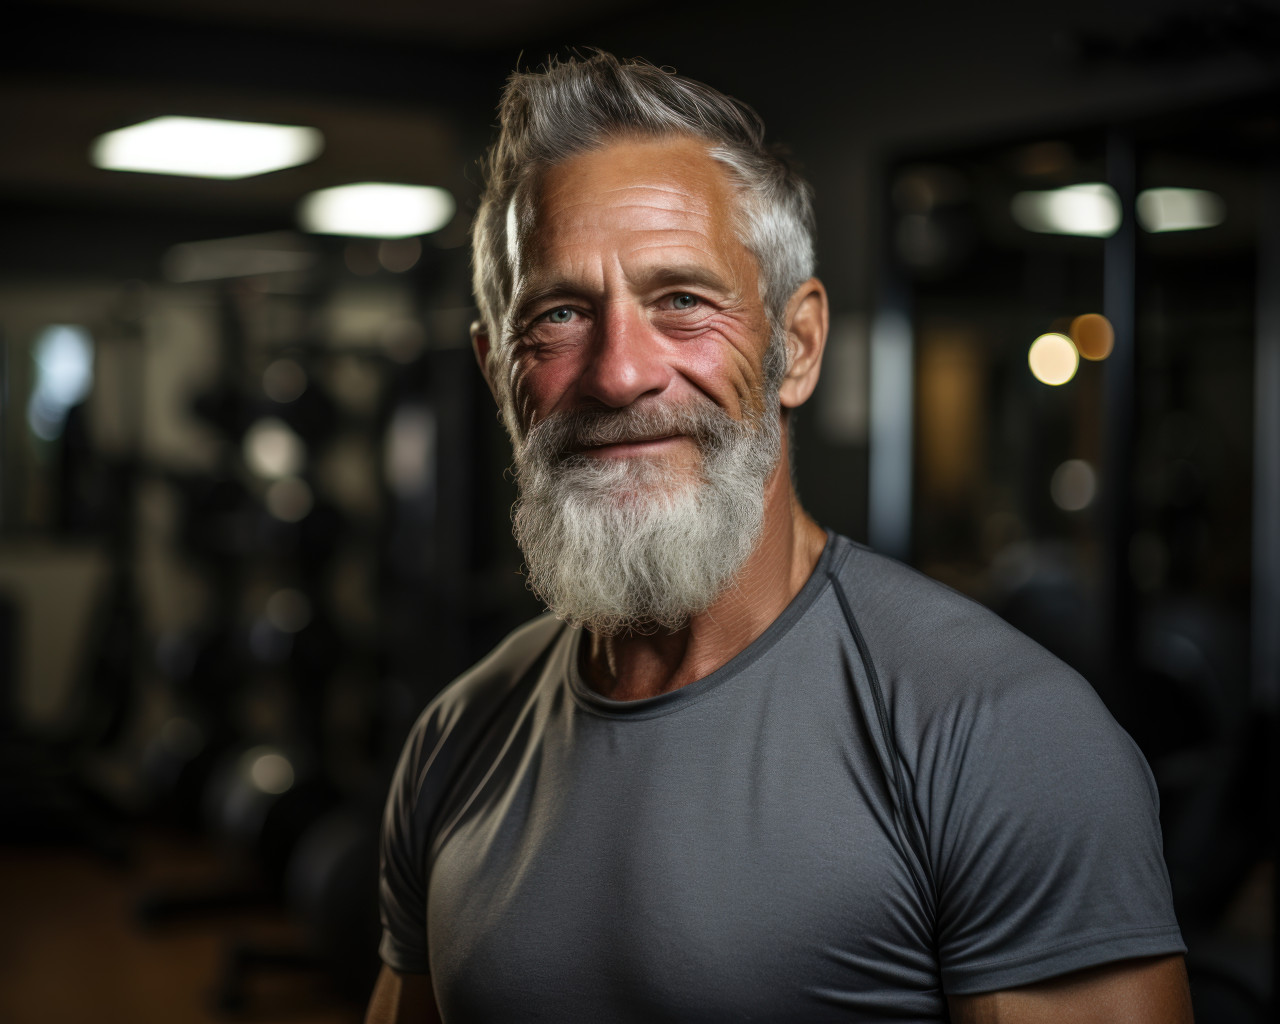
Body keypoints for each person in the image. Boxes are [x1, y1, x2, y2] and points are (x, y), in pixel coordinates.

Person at [368, 52, 1192, 1023]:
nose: (620, 371)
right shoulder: (457, 737)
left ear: (793, 348)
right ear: (495, 370)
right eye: (557, 315)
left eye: (680, 299)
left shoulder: (1004, 735)